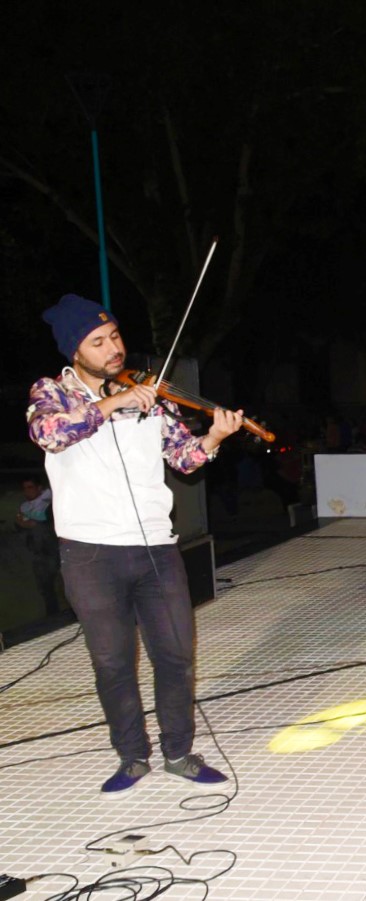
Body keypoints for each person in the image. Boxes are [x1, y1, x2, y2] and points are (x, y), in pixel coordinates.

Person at [27, 293, 246, 796]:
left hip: (156, 549)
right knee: (112, 662)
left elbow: (185, 459)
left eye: (115, 336)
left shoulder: (149, 396)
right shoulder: (52, 393)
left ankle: (180, 753)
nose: (113, 349)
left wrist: (214, 437)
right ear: (75, 351)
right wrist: (113, 404)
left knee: (175, 655)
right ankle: (131, 756)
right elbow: (49, 434)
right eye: (97, 342)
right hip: (90, 553)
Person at [14, 474, 62, 617]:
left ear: (39, 488)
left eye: (30, 487)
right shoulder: (25, 506)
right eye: (24, 488)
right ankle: (53, 617)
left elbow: (53, 523)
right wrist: (24, 524)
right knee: (45, 587)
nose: (27, 491)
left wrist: (34, 524)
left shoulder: (50, 502)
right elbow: (20, 524)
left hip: (56, 550)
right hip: (39, 553)